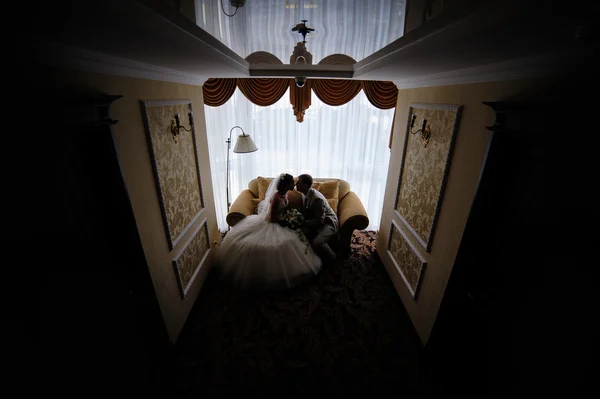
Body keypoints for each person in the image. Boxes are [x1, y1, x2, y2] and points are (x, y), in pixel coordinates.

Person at [216, 173, 322, 289]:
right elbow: (272, 218)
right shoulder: (276, 197)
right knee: (277, 244)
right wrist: (285, 221)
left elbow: (282, 210)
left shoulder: (285, 193)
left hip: (280, 220)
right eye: (293, 182)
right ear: (287, 184)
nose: (295, 184)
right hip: (272, 223)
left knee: (292, 240)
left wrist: (290, 215)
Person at [295, 174, 339, 262]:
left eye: (298, 184)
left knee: (317, 243)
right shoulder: (305, 193)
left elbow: (320, 221)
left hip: (328, 222)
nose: (296, 185)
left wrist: (304, 222)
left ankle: (333, 259)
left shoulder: (317, 199)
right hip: (316, 219)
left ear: (305, 186)